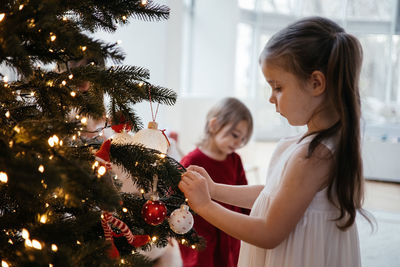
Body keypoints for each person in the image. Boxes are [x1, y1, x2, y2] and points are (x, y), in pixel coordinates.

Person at [179, 16, 373, 267]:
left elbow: (269, 232)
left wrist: (205, 206)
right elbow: (272, 195)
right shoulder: (313, 144)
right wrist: (215, 190)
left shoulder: (315, 155)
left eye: (278, 87)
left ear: (316, 83)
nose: (271, 99)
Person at [179, 97, 253, 267]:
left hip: (229, 232)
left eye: (242, 139)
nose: (238, 143)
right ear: (213, 125)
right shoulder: (192, 160)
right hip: (200, 234)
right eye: (235, 135)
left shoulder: (235, 160)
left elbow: (245, 196)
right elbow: (174, 196)